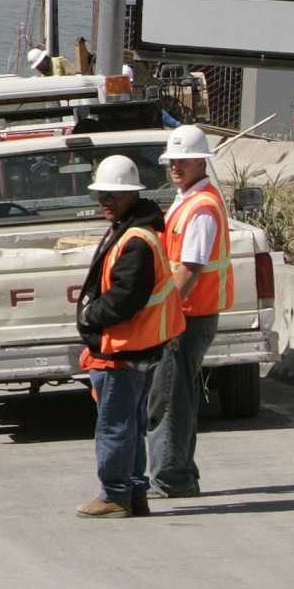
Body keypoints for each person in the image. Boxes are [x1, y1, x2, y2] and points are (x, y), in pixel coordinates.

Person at [74, 154, 184, 519]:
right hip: (137, 347)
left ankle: (115, 495)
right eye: (102, 195)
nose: (105, 202)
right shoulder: (135, 230)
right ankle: (134, 493)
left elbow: (126, 298)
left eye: (114, 196)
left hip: (124, 348)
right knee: (131, 424)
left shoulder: (135, 239)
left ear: (132, 196)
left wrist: (91, 316)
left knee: (115, 426)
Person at [147, 125, 233, 499]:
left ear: (202, 161)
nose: (176, 166)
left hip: (187, 314)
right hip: (187, 313)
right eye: (173, 160)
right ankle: (179, 473)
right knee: (176, 394)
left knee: (170, 397)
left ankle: (171, 477)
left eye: (183, 160)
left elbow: (191, 267)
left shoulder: (200, 207)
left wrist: (162, 315)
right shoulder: (189, 199)